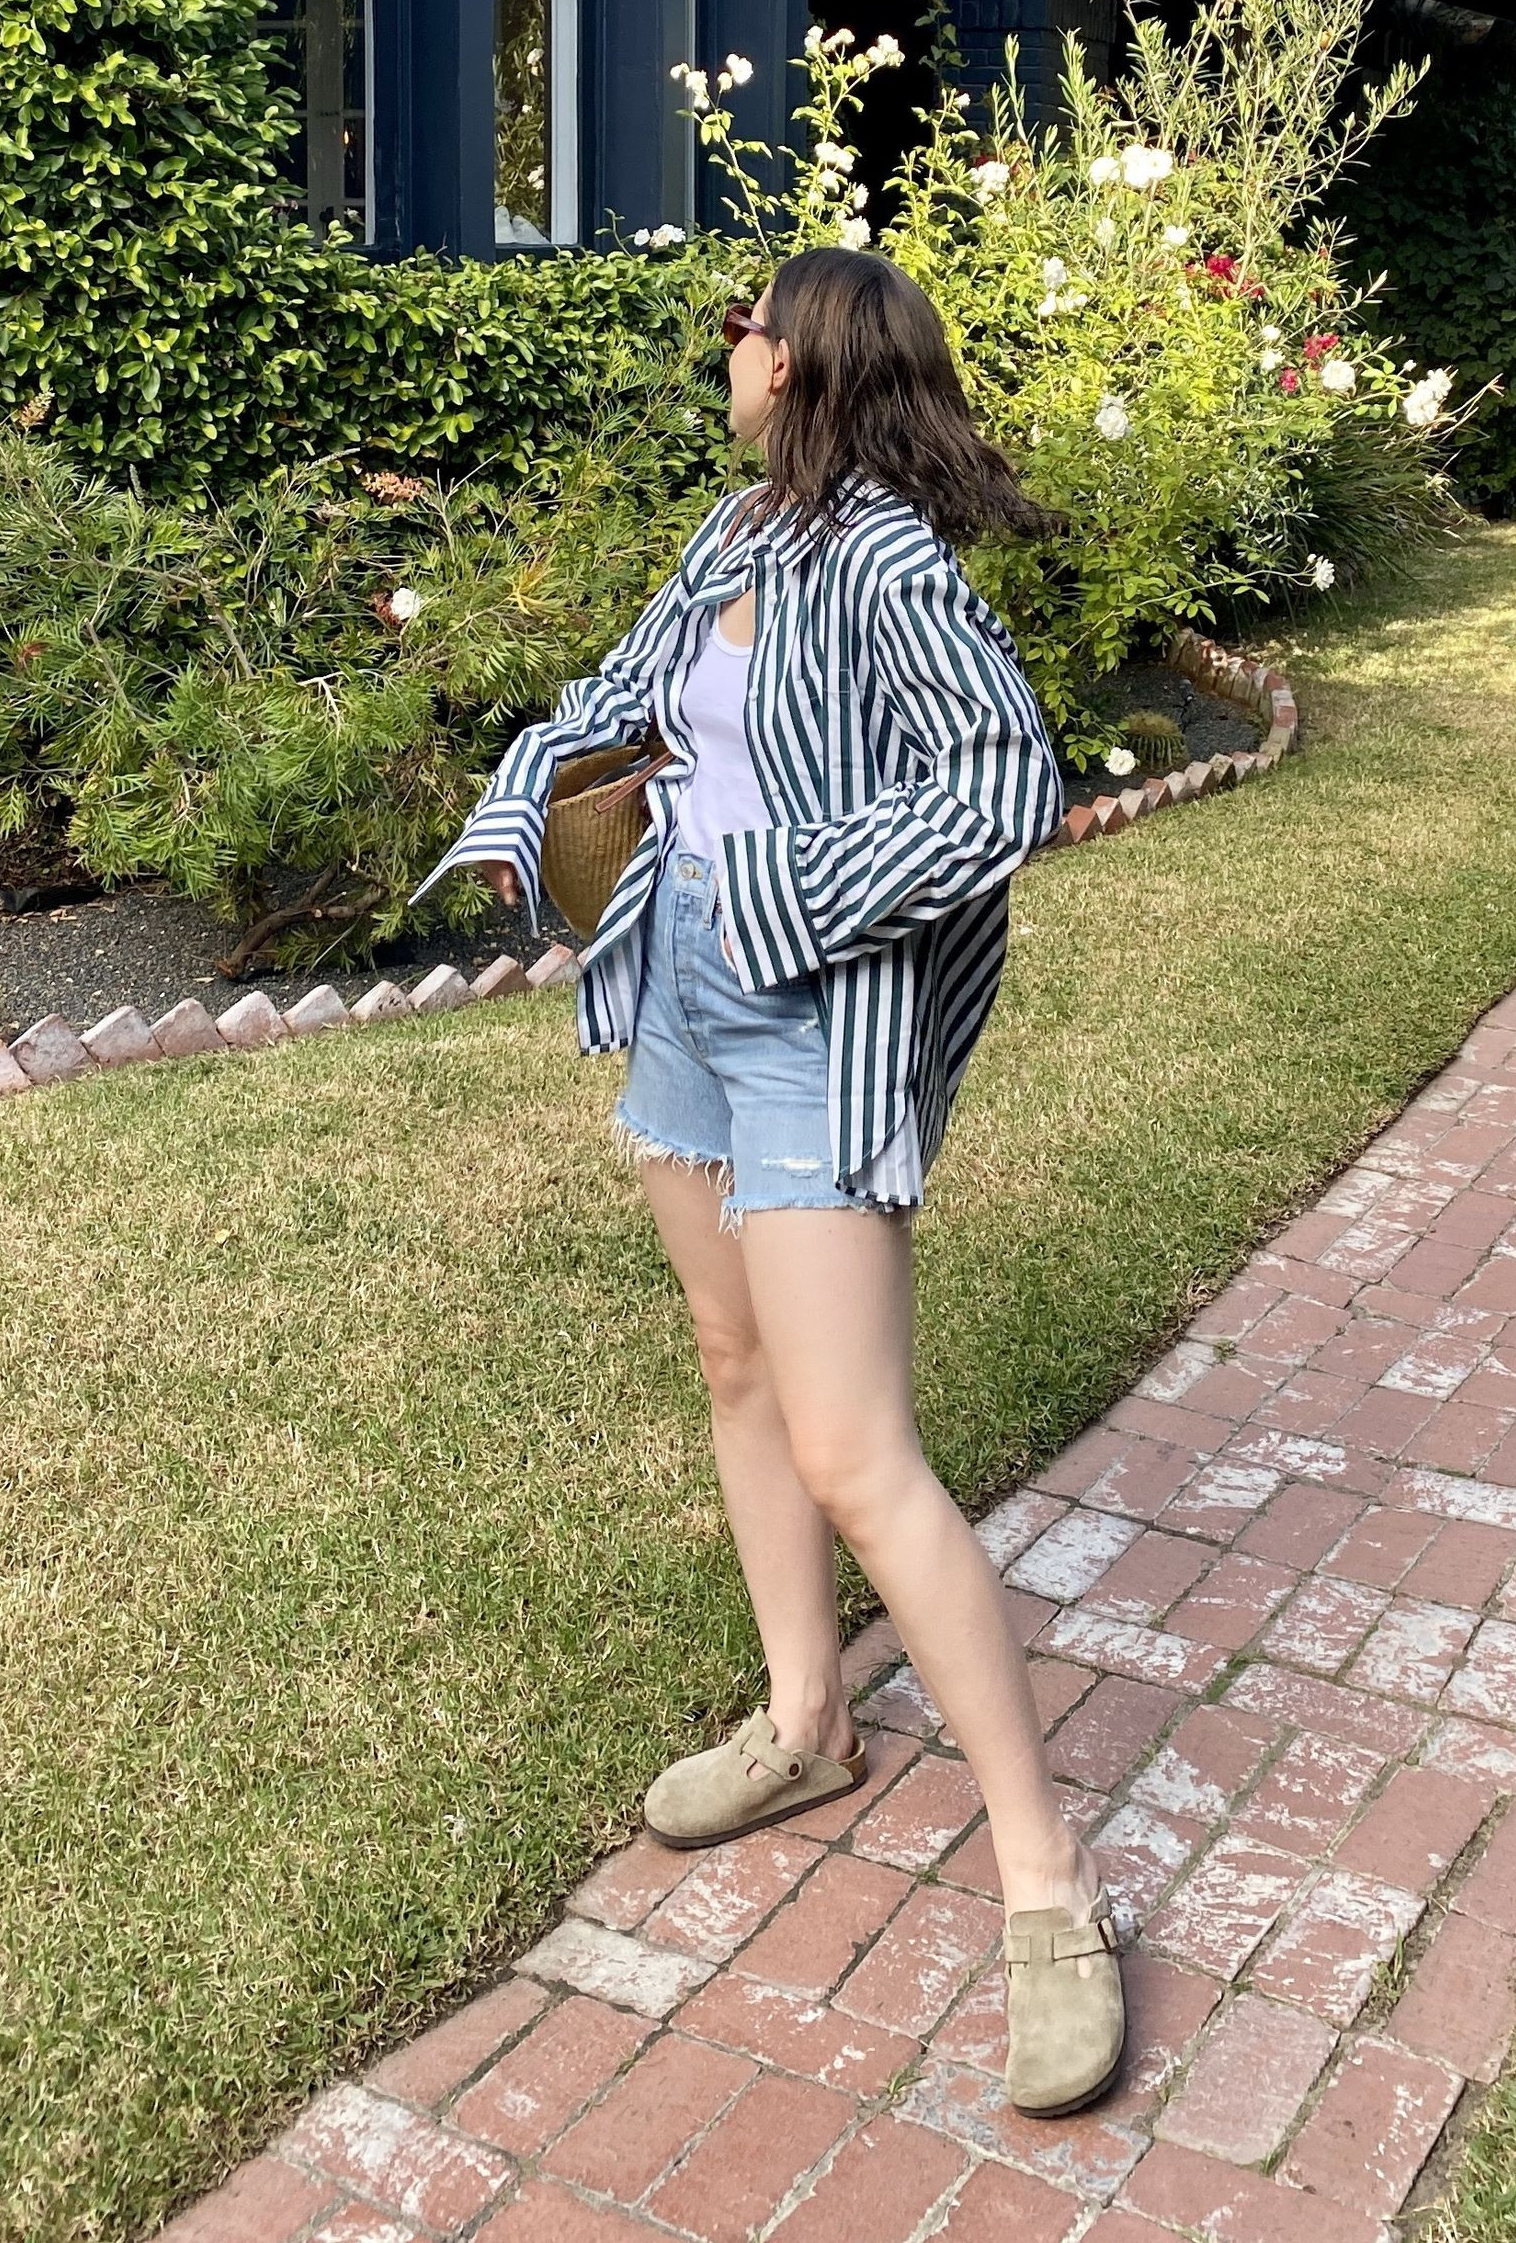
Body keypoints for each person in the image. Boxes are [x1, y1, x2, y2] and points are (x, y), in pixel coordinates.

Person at [411, 245, 1122, 2117]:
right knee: (735, 1370)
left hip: (815, 1009)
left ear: (801, 357)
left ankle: (1046, 1882)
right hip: (688, 1000)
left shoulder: (887, 557)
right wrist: (529, 812)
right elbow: (620, 697)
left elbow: (1000, 784)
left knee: (853, 1449)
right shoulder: (735, 541)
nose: (722, 350)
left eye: (740, 326)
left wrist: (788, 888)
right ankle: (810, 1723)